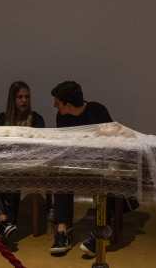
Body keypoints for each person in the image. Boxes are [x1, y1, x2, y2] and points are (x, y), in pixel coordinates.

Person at [49, 81, 128, 257]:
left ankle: (101, 230)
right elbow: (66, 145)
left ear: (68, 104)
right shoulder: (62, 117)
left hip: (100, 164)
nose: (54, 105)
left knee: (105, 179)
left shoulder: (97, 110)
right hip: (77, 163)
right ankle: (63, 230)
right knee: (61, 176)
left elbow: (112, 140)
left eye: (57, 101)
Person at [0, 81, 45, 243]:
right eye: (20, 97)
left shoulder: (36, 119)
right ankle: (5, 222)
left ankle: (2, 221)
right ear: (12, 99)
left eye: (27, 97)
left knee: (12, 173)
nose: (24, 100)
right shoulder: (1, 118)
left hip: (28, 163)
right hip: (4, 163)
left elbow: (41, 145)